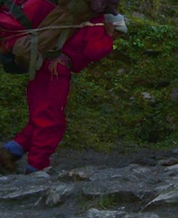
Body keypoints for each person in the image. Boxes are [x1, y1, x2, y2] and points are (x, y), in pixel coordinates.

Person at [0, 13, 127, 174]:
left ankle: (10, 152)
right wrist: (108, 36)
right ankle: (36, 167)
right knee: (52, 121)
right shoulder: (97, 25)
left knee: (40, 116)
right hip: (56, 71)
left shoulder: (83, 19)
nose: (117, 36)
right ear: (111, 25)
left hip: (43, 66)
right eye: (118, 32)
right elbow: (94, 51)